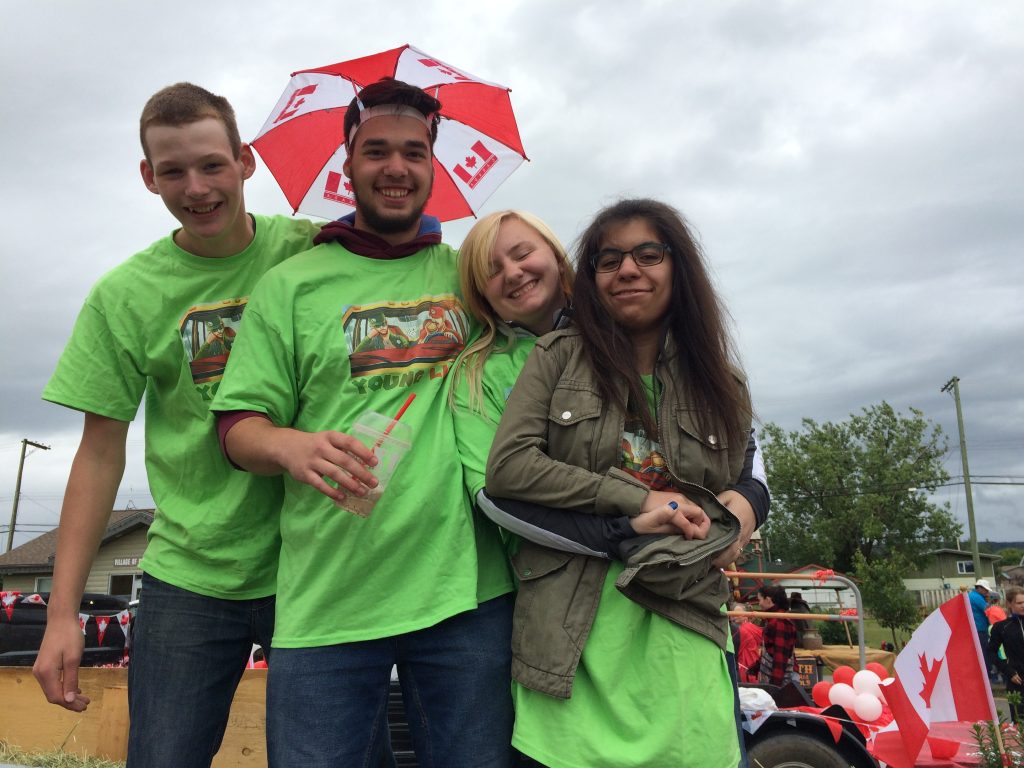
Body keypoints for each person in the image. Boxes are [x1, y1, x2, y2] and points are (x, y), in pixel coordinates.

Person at [210, 78, 514, 768]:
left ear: (434, 164)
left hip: (467, 598)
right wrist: (290, 445)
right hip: (329, 601)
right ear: (347, 162)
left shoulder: (469, 275)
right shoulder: (293, 283)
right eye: (376, 151)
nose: (396, 168)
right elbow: (236, 426)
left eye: (414, 151)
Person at [32, 83, 322, 768]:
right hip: (189, 576)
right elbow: (99, 457)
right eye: (172, 171)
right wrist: (60, 616)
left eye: (212, 165)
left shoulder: (309, 251)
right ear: (148, 177)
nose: (196, 187)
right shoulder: (125, 295)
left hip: (315, 564)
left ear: (245, 160)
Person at [485, 198, 766, 768]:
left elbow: (746, 478)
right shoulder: (556, 356)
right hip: (569, 640)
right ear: (589, 279)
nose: (628, 270)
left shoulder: (723, 379)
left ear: (677, 267)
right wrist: (638, 498)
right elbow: (508, 469)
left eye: (647, 254)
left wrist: (748, 507)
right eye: (609, 260)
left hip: (683, 629)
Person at [989, 587, 1024, 725]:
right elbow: (991, 652)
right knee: (1020, 724)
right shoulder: (1002, 627)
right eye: (1019, 603)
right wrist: (1008, 670)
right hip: (1017, 680)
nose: (1023, 605)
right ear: (1009, 604)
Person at [757, 586, 797, 687]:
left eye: (760, 600)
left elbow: (780, 656)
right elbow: (770, 650)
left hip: (779, 680)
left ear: (768, 600)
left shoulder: (779, 621)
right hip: (776, 677)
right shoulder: (774, 619)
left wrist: (774, 687)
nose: (759, 604)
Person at [971, 578, 998, 681]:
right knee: (985, 651)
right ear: (979, 588)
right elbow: (987, 609)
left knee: (983, 651)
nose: (987, 592)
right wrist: (991, 601)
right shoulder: (976, 597)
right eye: (985, 590)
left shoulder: (974, 596)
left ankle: (987, 673)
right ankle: (988, 675)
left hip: (979, 627)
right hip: (980, 628)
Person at [730, 602, 764, 684]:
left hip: (744, 667)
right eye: (734, 614)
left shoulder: (741, 631)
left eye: (738, 614)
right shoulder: (755, 628)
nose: (735, 616)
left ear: (746, 615)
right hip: (754, 665)